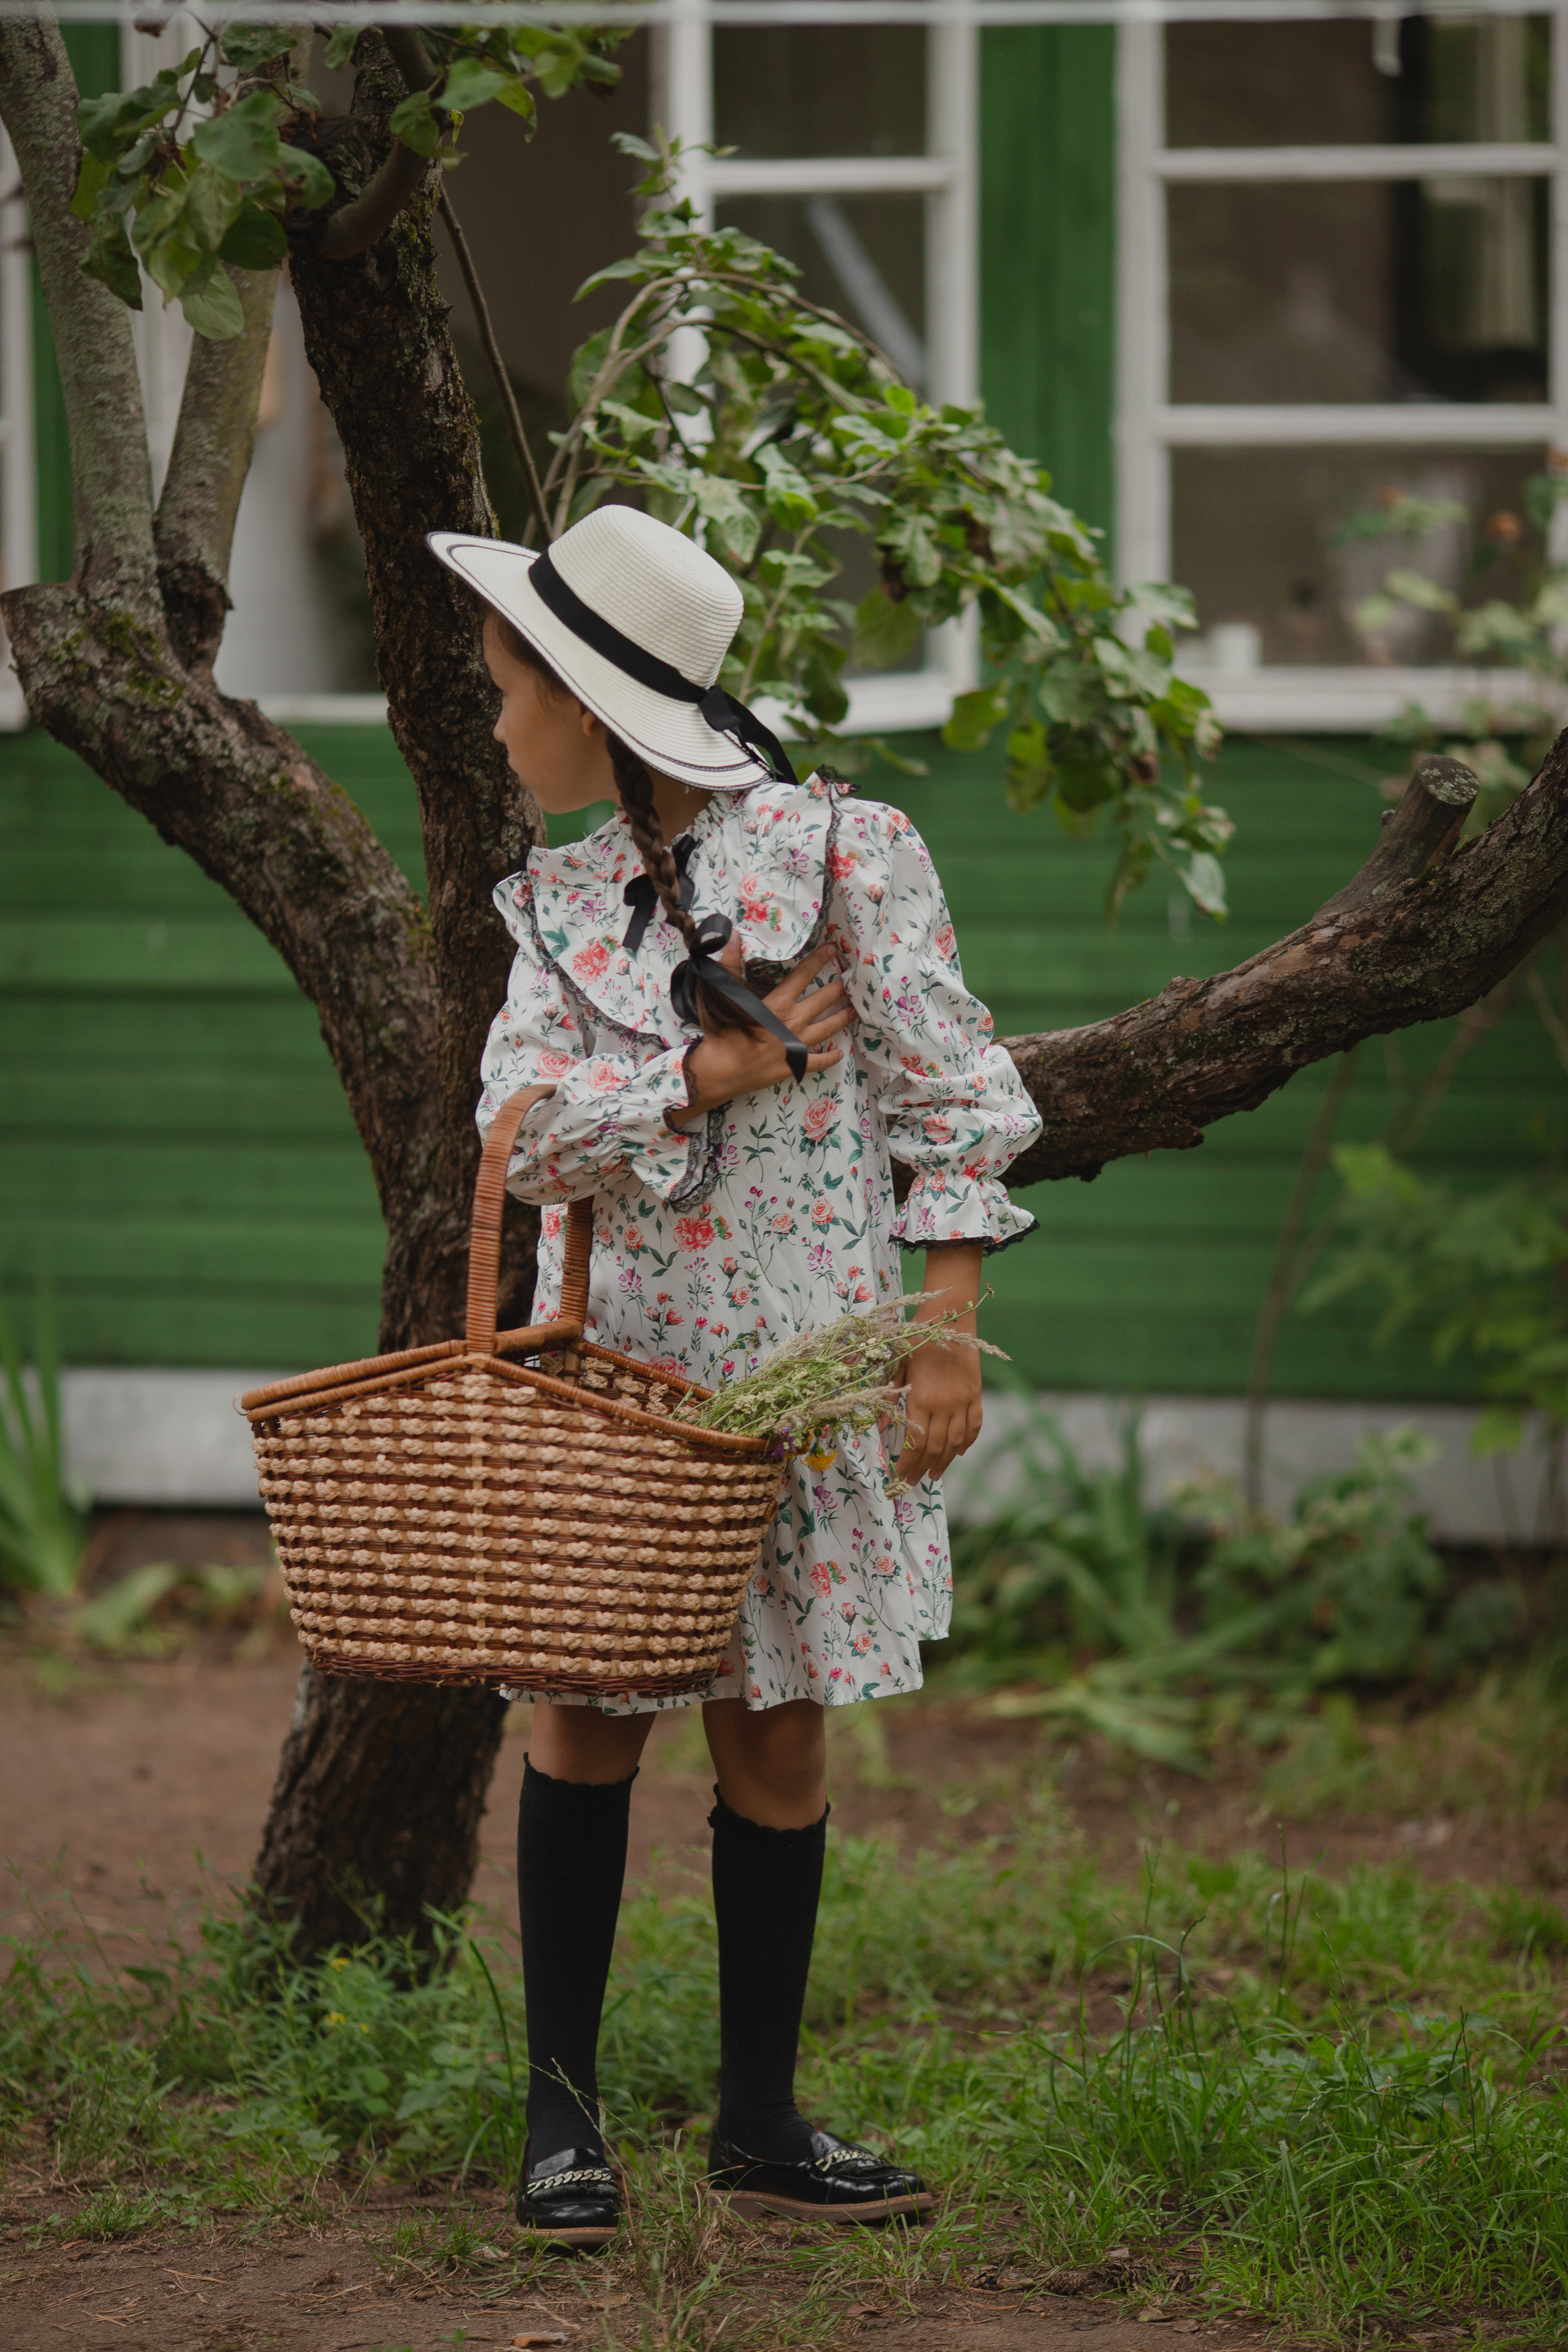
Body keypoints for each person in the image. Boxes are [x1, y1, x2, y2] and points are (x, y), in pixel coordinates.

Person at [428, 507, 1042, 2248]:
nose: (493, 726)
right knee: (587, 1717)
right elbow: (521, 1132)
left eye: (506, 693)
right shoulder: (557, 907)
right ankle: (564, 2126)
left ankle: (761, 2119)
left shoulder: (848, 855)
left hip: (805, 1374)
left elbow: (949, 1093)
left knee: (776, 1741)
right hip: (625, 1393)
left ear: (598, 701)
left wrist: (943, 1318)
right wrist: (692, 1080)